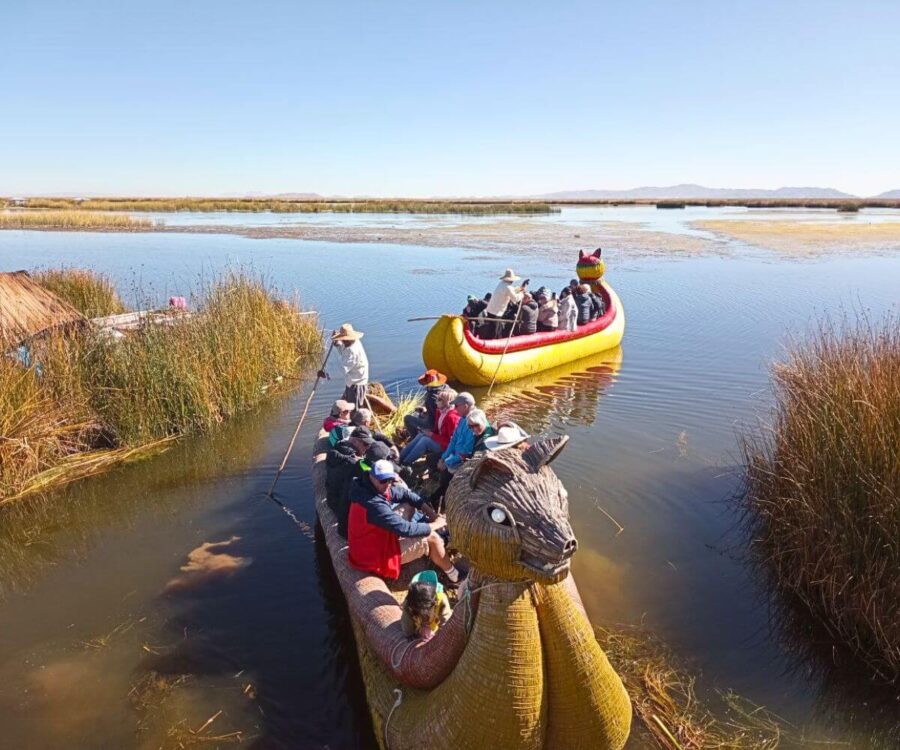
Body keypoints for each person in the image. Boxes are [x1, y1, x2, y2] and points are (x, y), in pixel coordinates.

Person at [348, 459, 462, 585]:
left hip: (370, 540)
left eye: (390, 480)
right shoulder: (373, 503)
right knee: (432, 538)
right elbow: (405, 529)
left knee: (408, 505)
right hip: (370, 556)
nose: (387, 484)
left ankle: (434, 551)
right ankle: (454, 576)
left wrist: (432, 514)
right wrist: (437, 524)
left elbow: (405, 494)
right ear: (371, 476)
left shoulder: (371, 487)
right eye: (383, 481)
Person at [326, 426, 375, 537]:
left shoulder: (336, 450)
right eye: (366, 444)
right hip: (340, 505)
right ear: (354, 441)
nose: (367, 448)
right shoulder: (353, 464)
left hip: (332, 498)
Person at [430, 392, 477, 508]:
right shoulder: (462, 419)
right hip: (455, 456)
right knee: (432, 460)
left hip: (464, 460)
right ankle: (438, 498)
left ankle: (439, 502)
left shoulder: (473, 422)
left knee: (446, 478)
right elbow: (454, 440)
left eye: (457, 406)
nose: (454, 408)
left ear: (465, 406)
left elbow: (466, 452)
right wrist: (443, 458)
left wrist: (447, 462)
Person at [399, 388, 460, 466]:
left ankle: (405, 463)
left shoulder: (452, 418)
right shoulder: (440, 411)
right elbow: (437, 429)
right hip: (441, 440)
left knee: (425, 441)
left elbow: (451, 442)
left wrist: (431, 435)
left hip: (447, 447)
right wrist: (428, 432)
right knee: (421, 434)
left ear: (447, 402)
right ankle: (400, 458)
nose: (436, 401)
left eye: (439, 399)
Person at [320, 323, 369, 409]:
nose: (343, 342)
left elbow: (342, 369)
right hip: (352, 381)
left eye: (344, 340)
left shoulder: (353, 351)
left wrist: (325, 374)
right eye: (342, 340)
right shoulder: (352, 343)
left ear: (349, 339)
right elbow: (344, 351)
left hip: (357, 383)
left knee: (354, 408)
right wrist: (338, 344)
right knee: (349, 405)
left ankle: (355, 421)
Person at [482, 269, 528, 339]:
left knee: (493, 329)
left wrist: (520, 288)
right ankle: (493, 344)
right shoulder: (508, 287)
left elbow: (511, 291)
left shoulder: (501, 284)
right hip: (496, 313)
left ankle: (491, 340)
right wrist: (522, 293)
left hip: (491, 310)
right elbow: (515, 299)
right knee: (495, 332)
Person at [403, 369, 449, 440]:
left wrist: (425, 413)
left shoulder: (431, 397)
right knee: (420, 415)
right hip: (445, 422)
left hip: (434, 425)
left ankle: (414, 439)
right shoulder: (447, 389)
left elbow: (436, 418)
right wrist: (425, 411)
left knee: (407, 418)